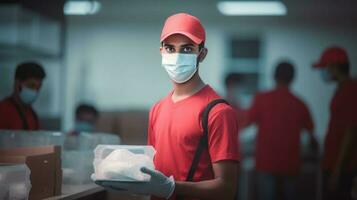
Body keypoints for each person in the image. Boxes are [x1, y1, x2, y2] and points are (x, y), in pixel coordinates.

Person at [95, 13, 240, 200]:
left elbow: (227, 188)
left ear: (202, 54)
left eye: (187, 49)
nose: (177, 56)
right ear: (162, 52)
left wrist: (172, 188)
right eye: (170, 48)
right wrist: (125, 176)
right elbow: (154, 172)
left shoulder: (218, 112)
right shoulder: (158, 109)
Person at [241, 62, 318, 200]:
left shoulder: (262, 99)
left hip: (266, 163)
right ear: (293, 78)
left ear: (274, 76)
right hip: (291, 164)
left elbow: (245, 123)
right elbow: (312, 134)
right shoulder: (299, 103)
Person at [313, 46, 357, 200]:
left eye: (324, 68)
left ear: (334, 67)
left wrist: (337, 170)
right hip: (332, 163)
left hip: (341, 167)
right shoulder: (341, 89)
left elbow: (350, 131)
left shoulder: (351, 90)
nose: (322, 73)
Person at [0, 62, 46, 130]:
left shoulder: (33, 115)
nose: (35, 91)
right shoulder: (3, 111)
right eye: (31, 85)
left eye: (38, 87)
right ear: (17, 83)